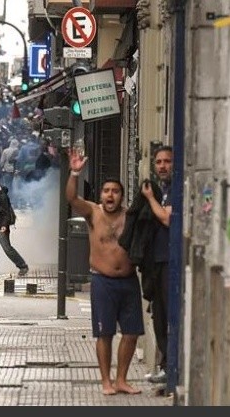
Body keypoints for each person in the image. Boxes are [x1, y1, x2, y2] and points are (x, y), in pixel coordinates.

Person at [66, 146, 143, 396]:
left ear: (122, 196)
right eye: (107, 191)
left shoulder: (129, 216)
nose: (111, 195)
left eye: (116, 192)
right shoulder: (93, 213)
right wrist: (75, 173)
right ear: (101, 195)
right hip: (103, 282)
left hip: (129, 281)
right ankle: (106, 381)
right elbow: (72, 199)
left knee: (131, 334)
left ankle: (121, 379)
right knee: (105, 333)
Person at [142, 145, 173, 386]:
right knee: (158, 315)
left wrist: (150, 198)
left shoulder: (172, 191)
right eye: (159, 162)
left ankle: (170, 367)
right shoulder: (159, 190)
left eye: (167, 161)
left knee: (169, 314)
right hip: (155, 262)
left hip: (170, 262)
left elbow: (166, 218)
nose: (162, 166)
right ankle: (165, 366)